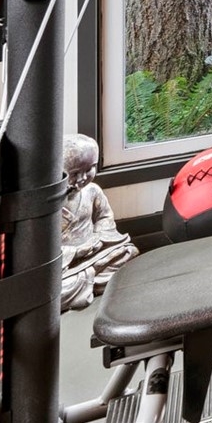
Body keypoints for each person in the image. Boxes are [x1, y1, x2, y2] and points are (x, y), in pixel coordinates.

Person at [59, 134, 138, 312]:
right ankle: (90, 282)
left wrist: (98, 238)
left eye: (89, 169)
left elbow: (104, 217)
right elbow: (44, 247)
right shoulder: (52, 203)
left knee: (128, 252)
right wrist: (77, 251)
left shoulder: (92, 191)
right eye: (74, 173)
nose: (82, 178)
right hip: (67, 263)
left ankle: (89, 282)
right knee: (56, 289)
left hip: (95, 252)